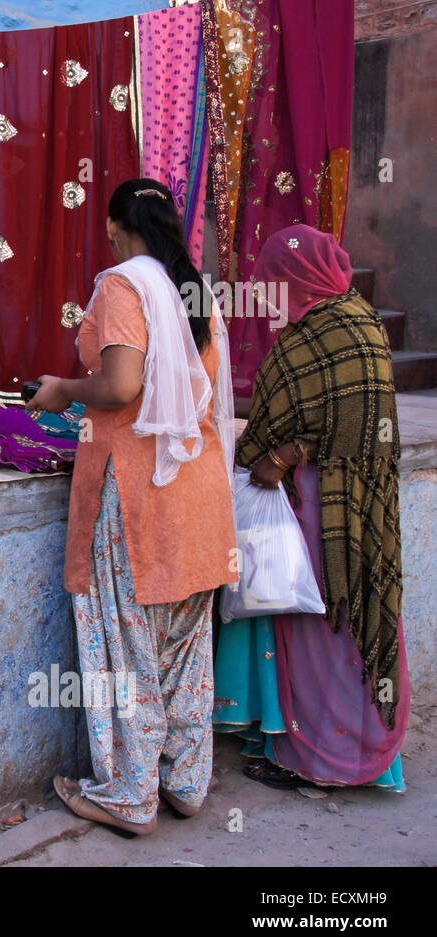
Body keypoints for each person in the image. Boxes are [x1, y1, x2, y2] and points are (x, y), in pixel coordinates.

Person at [27, 178, 237, 837]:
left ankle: (127, 794)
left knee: (126, 641)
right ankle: (183, 780)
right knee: (183, 643)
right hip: (200, 490)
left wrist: (63, 388)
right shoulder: (193, 289)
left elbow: (121, 385)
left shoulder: (124, 284)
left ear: (117, 225)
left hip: (140, 493)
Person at [214, 224, 409, 793]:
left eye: (275, 280)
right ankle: (369, 752)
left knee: (320, 629)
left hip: (321, 510)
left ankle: (318, 757)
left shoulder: (307, 341)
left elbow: (275, 440)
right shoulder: (364, 322)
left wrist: (283, 451)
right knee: (357, 621)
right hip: (364, 512)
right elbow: (370, 423)